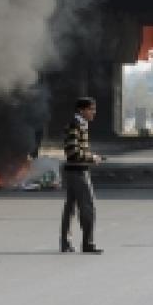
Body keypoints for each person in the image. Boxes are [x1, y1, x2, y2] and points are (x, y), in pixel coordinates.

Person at [61, 97, 103, 255]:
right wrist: (92, 158)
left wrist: (91, 156)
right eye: (91, 109)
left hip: (74, 170)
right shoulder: (75, 125)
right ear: (81, 110)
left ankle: (65, 243)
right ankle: (87, 243)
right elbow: (73, 153)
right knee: (88, 207)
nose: (94, 112)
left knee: (70, 208)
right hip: (78, 172)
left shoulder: (81, 124)